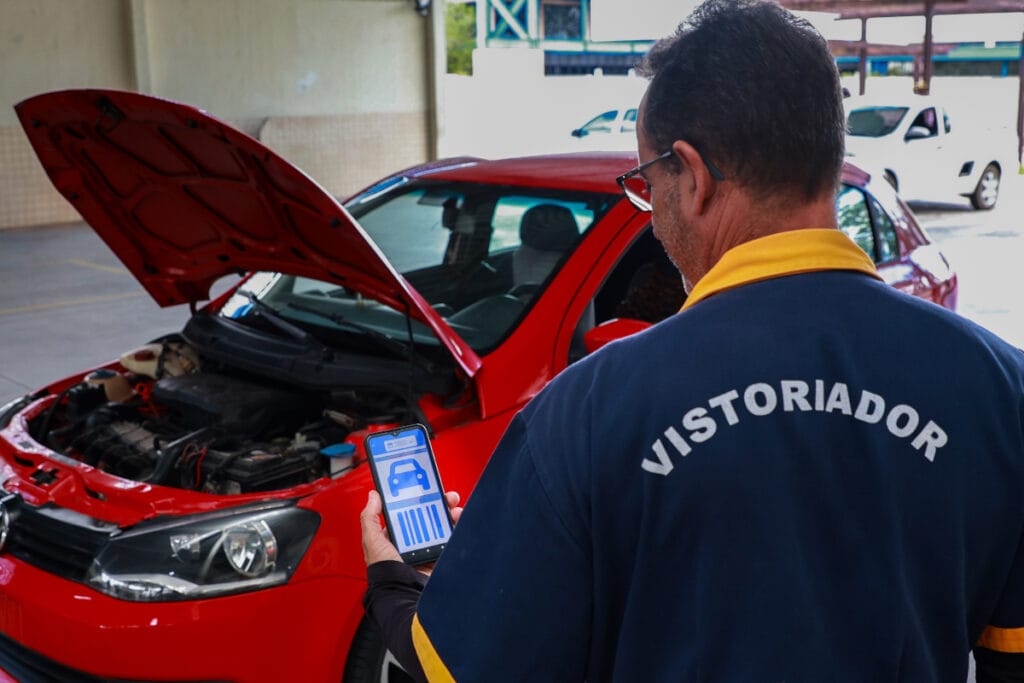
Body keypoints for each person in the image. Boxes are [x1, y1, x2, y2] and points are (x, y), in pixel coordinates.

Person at [360, 1, 1024, 680]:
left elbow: (466, 666)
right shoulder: (1003, 389)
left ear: (694, 176)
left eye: (646, 184)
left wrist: (392, 578)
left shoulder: (585, 415)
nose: (650, 218)